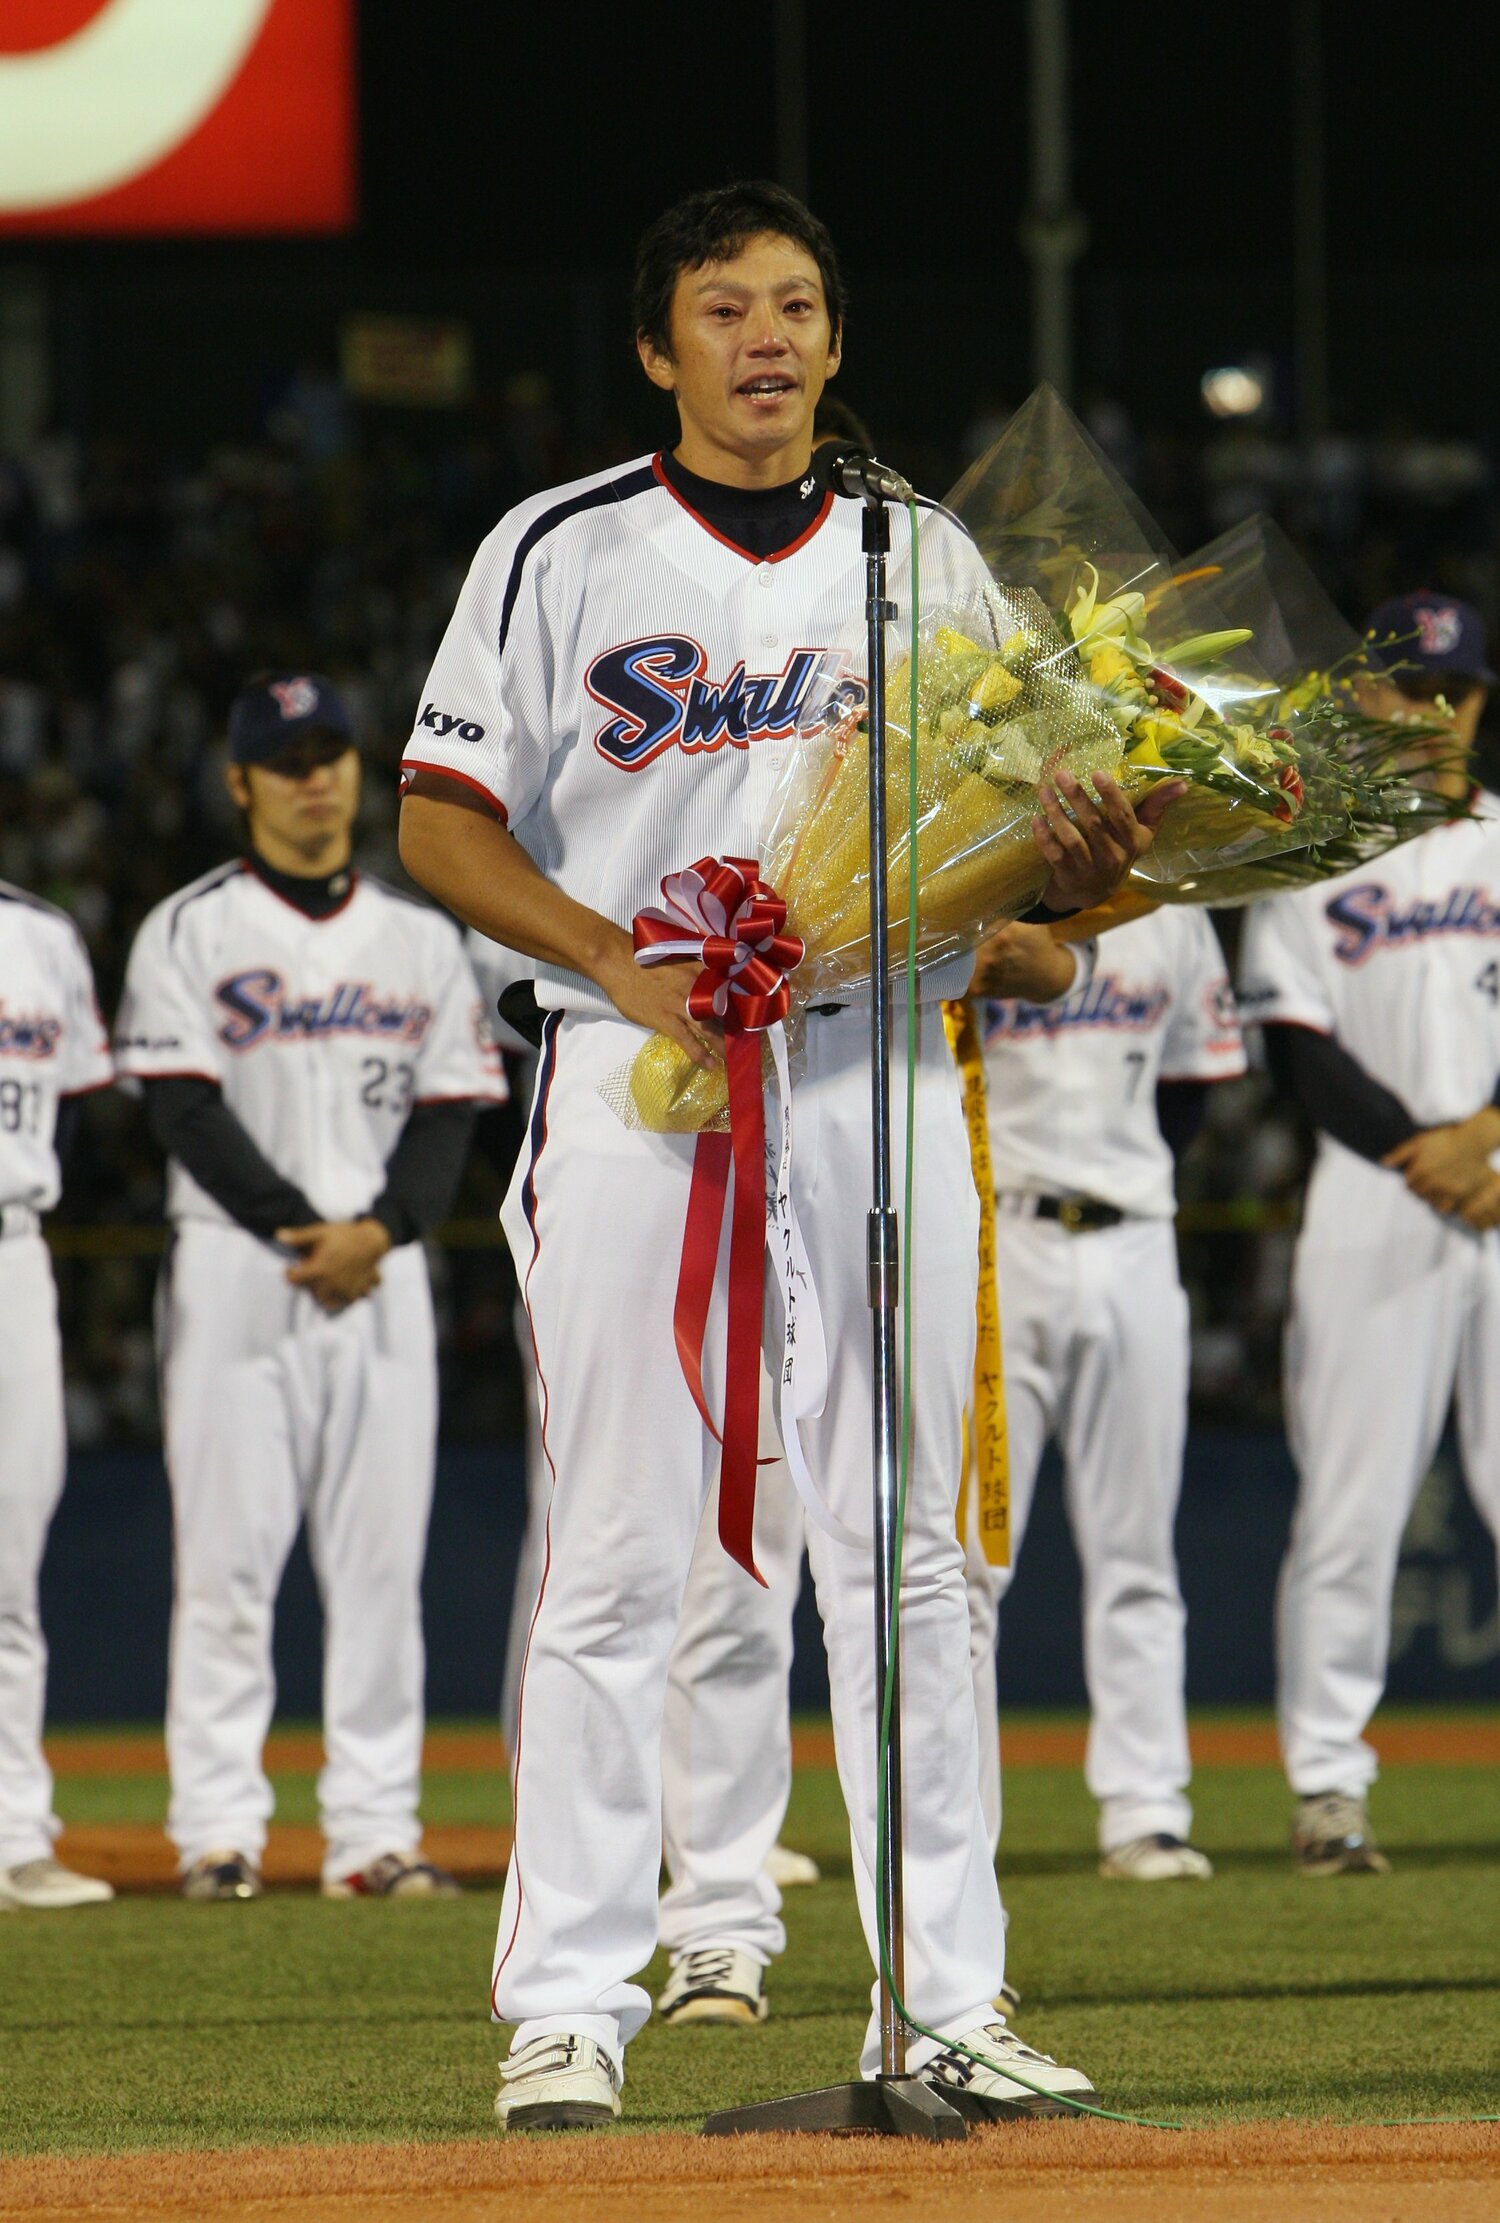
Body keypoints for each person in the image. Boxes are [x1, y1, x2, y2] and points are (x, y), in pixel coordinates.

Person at [399, 181, 1181, 2132]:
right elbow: (441, 817)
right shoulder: (560, 546)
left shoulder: (924, 549)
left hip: (883, 1070)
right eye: (726, 307)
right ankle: (571, 1996)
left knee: (918, 1544)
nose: (768, 336)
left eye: (801, 305)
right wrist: (614, 958)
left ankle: (944, 1996)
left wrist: (1093, 858)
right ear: (658, 347)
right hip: (634, 1070)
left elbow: (1044, 836)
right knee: (623, 1549)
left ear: (836, 341)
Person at [114, 674, 505, 1902]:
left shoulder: (420, 935)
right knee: (226, 1563)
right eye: (287, 759)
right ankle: (219, 1831)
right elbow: (182, 1108)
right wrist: (310, 1229)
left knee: (382, 1567)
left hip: (384, 1270)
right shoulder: (189, 928)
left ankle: (373, 1834)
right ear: (240, 783)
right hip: (243, 1264)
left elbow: (451, 1113)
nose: (314, 776)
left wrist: (379, 1230)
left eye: (331, 753)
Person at [1239, 590, 1500, 1873]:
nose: (1441, 712)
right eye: (1416, 690)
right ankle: (1330, 1790)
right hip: (1374, 1191)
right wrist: (1438, 1151)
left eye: (1458, 690)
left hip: (1493, 1176)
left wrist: (1489, 1134)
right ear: (1368, 701)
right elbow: (1292, 1040)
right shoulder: (1315, 852)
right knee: (1350, 1504)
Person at [960, 908, 1245, 1880]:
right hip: (996, 1240)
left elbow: (1195, 1089)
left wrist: (1122, 1163)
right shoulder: (978, 893)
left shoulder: (1175, 915)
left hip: (1132, 1240)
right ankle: (960, 1822)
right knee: (969, 1563)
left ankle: (1146, 1810)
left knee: (1138, 1551)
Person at [0, 884, 115, 1911]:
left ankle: (14, 1834)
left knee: (10, 1565)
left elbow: (71, 1108)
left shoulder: (41, 936)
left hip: (13, 1250)